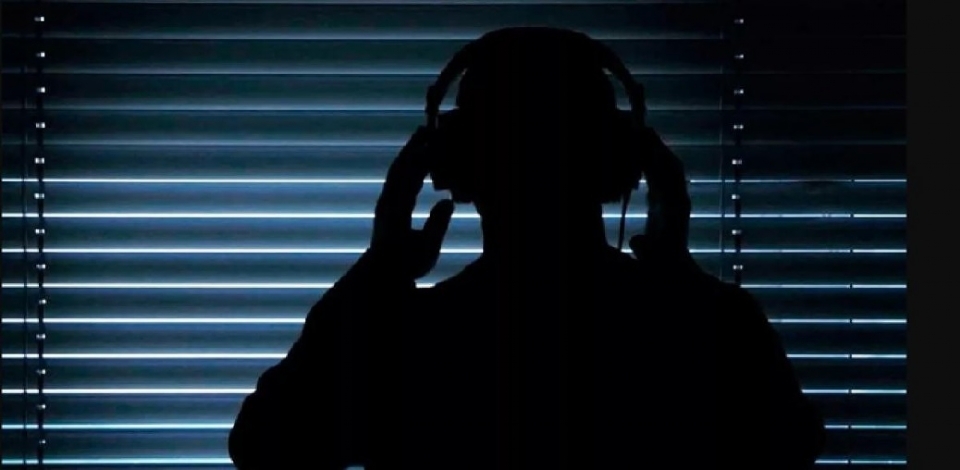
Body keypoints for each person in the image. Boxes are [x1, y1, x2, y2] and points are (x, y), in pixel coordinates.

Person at [228, 27, 825, 470]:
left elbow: (265, 447)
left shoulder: (404, 338)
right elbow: (787, 448)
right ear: (621, 166)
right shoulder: (701, 329)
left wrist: (377, 272)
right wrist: (685, 284)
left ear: (454, 167)